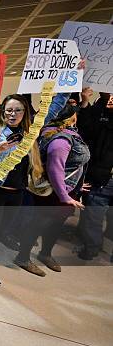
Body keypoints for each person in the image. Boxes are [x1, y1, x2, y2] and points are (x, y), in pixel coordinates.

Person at [0, 92, 68, 288]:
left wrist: (71, 81)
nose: (13, 114)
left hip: (17, 192)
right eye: (9, 110)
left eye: (18, 110)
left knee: (1, 231)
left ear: (25, 112)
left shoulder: (31, 132)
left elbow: (53, 107)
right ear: (3, 112)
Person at [15, 103, 90, 275]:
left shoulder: (66, 133)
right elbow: (55, 169)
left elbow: (71, 165)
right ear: (71, 118)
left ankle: (45, 254)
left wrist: (77, 184)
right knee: (38, 224)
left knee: (55, 225)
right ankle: (23, 257)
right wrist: (64, 196)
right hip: (55, 193)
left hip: (65, 191)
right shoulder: (60, 140)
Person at [77, 90, 113, 261]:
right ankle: (90, 248)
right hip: (99, 175)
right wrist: (84, 102)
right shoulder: (99, 110)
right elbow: (86, 129)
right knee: (93, 214)